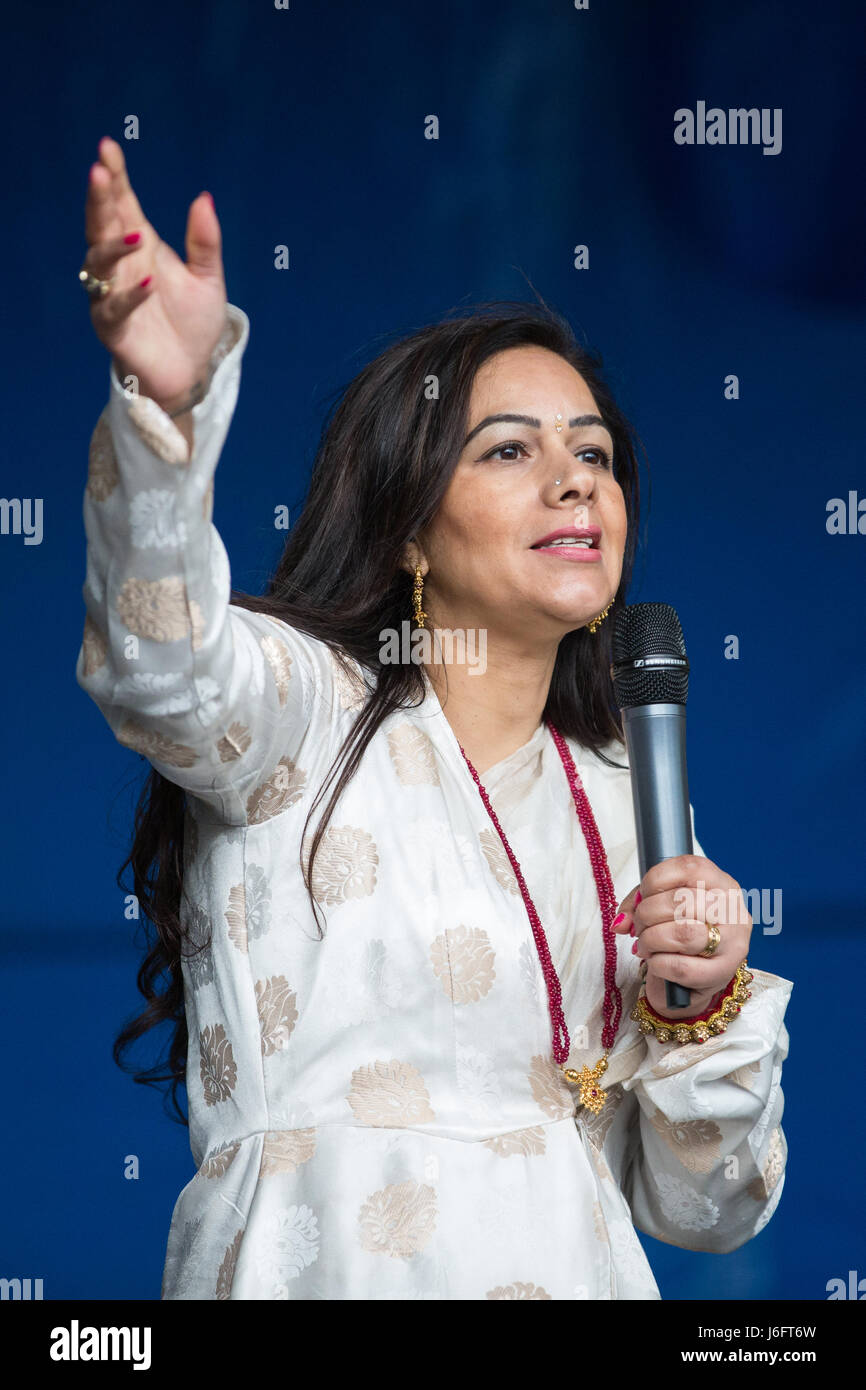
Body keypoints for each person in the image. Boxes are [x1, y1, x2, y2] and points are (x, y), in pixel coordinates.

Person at [76, 135, 792, 1301]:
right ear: (409, 526)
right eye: (509, 450)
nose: (574, 482)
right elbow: (161, 664)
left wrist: (699, 1005)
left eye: (594, 454)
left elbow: (701, 1209)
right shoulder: (303, 710)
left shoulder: (627, 795)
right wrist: (169, 407)